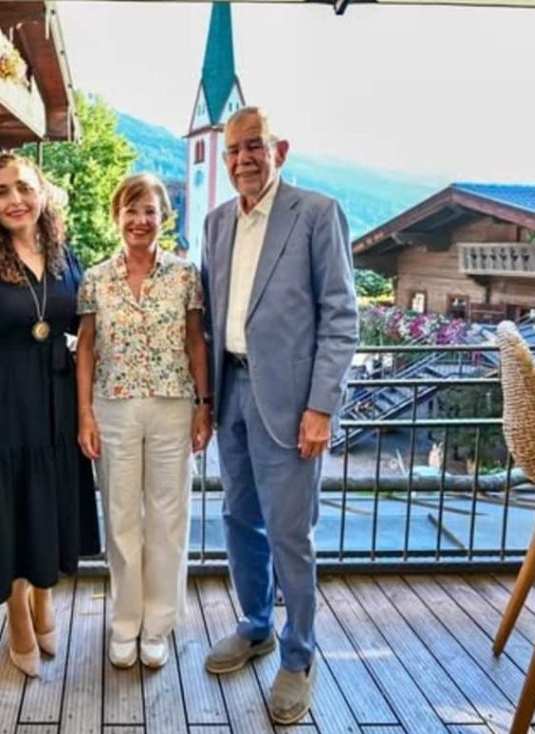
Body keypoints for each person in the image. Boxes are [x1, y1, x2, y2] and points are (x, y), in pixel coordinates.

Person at [200, 107, 358, 724]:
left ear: (280, 150)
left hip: (292, 406)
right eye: (233, 149)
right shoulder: (217, 223)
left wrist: (320, 407)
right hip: (231, 391)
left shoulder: (316, 213)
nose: (243, 158)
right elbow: (209, 316)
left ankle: (299, 656)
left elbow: (341, 317)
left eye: (254, 146)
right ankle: (257, 625)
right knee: (239, 518)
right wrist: (206, 402)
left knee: (290, 533)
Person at [0, 153, 100, 678]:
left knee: (48, 503)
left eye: (24, 188)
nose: (15, 200)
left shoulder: (63, 254)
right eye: (2, 192)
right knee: (8, 509)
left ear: (42, 194)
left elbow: (84, 329)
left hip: (56, 399)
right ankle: (17, 613)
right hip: (1, 402)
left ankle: (43, 598)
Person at [75, 173, 211, 669]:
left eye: (149, 210)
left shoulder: (184, 275)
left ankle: (158, 624)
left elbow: (196, 341)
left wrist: (204, 405)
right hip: (113, 406)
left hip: (173, 405)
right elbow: (85, 347)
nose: (140, 220)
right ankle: (126, 620)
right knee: (121, 517)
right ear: (117, 216)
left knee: (168, 518)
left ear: (163, 217)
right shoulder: (96, 278)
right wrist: (84, 413)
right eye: (131, 210)